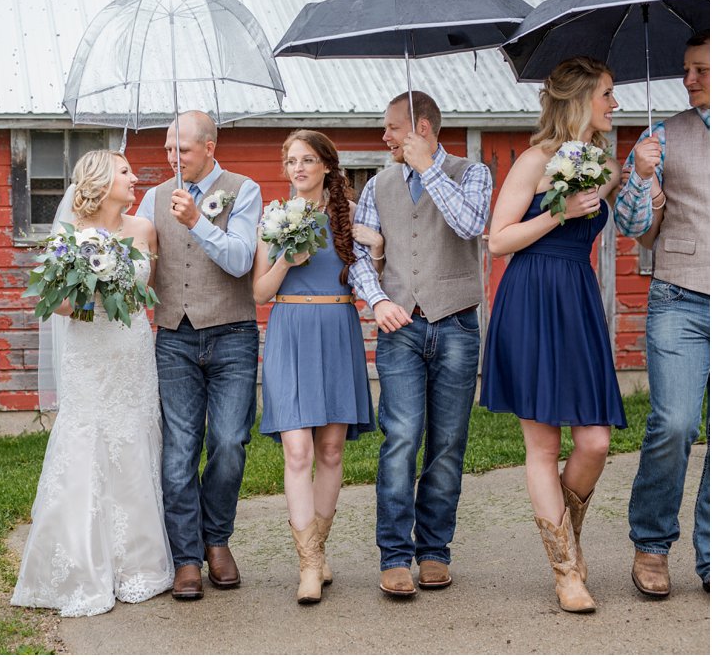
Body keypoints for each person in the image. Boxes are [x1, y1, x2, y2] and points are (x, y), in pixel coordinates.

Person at [481, 57, 626, 613]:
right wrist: (557, 211)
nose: (614, 105)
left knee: (594, 440)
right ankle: (566, 572)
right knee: (542, 445)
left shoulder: (600, 164)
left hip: (578, 298)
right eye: (607, 95)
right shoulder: (535, 159)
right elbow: (497, 242)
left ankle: (567, 538)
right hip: (532, 298)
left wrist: (635, 177)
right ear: (582, 98)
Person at [12, 150, 173, 616]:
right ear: (101, 183)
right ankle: (82, 563)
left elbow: (149, 294)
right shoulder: (70, 237)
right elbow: (56, 305)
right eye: (125, 172)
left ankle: (139, 564)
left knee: (134, 442)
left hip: (133, 349)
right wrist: (95, 301)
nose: (133, 177)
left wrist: (119, 295)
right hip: (89, 351)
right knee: (86, 445)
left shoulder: (143, 230)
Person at [349, 90, 492, 597]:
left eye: (392, 128)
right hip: (399, 329)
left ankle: (434, 551)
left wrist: (428, 168)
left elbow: (471, 224)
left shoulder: (472, 173)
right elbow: (359, 255)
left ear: (422, 128)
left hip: (456, 325)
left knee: (448, 445)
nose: (384, 137)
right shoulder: (378, 185)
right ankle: (395, 554)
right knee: (403, 437)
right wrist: (377, 300)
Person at [135, 110, 261, 600]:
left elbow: (240, 260)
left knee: (229, 442)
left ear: (210, 146)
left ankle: (217, 538)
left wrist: (197, 222)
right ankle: (187, 556)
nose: (173, 158)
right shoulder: (152, 197)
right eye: (168, 150)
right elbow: (138, 260)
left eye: (181, 150)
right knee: (180, 449)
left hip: (233, 333)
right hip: (174, 336)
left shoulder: (243, 189)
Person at [251, 130, 379, 604]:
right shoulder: (274, 216)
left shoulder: (350, 216)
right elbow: (260, 293)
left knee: (330, 451)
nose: (298, 168)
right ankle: (307, 565)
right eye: (291, 161)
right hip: (290, 331)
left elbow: (371, 275)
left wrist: (378, 247)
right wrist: (287, 258)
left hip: (337, 328)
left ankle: (320, 551)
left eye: (307, 160)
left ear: (327, 165)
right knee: (298, 451)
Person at [616, 30, 710, 597]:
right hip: (680, 296)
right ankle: (652, 543)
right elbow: (633, 230)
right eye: (685, 69)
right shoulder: (660, 137)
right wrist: (643, 178)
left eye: (700, 69)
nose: (689, 78)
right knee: (675, 424)